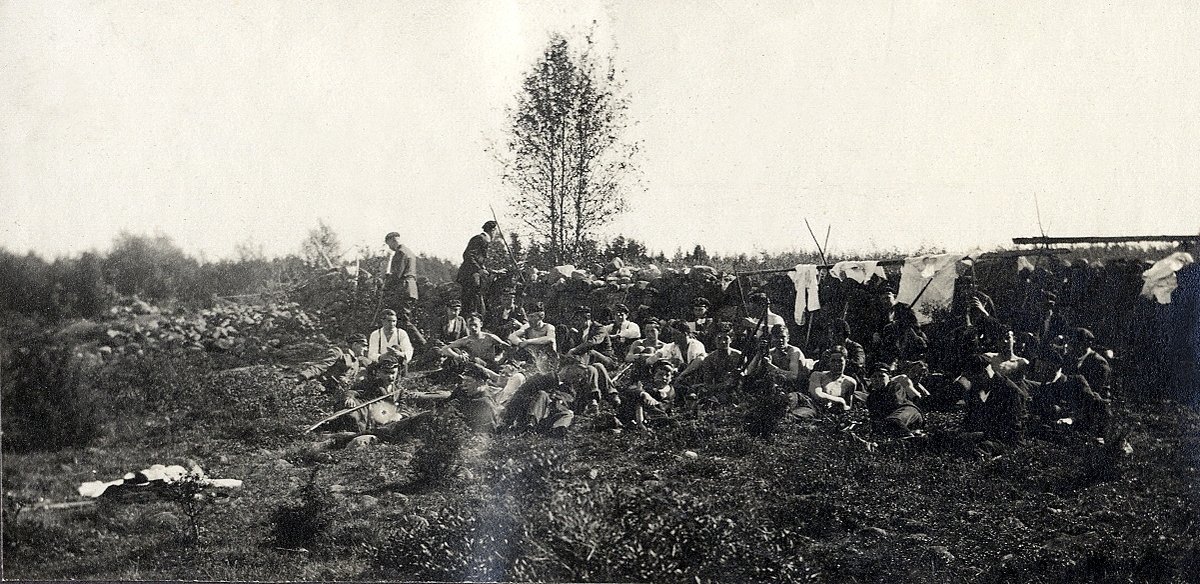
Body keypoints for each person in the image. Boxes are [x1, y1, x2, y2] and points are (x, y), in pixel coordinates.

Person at [961, 355, 1028, 448]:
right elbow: (971, 418)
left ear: (985, 373)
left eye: (974, 378)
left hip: (1006, 441)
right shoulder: (976, 389)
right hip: (985, 436)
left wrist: (980, 435)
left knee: (982, 448)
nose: (972, 382)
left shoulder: (1010, 391)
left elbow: (1012, 431)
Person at [437, 313, 510, 378]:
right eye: (470, 325)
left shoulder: (490, 337)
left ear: (481, 324)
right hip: (475, 366)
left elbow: (507, 347)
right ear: (467, 326)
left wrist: (500, 359)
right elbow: (445, 348)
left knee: (475, 361)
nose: (473, 328)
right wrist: (458, 356)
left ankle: (496, 377)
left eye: (475, 325)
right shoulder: (466, 340)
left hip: (490, 365)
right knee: (465, 360)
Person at [864, 363, 925, 437]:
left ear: (889, 378)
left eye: (881, 376)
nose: (877, 380)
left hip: (909, 412)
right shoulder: (871, 397)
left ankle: (910, 438)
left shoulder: (894, 386)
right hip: (895, 419)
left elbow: (895, 403)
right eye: (874, 377)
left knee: (893, 421)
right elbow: (875, 418)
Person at [297, 333, 368, 394]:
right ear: (355, 345)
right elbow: (320, 366)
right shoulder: (338, 352)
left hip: (340, 393)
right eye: (363, 345)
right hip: (323, 389)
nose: (366, 349)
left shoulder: (357, 362)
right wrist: (303, 376)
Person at [619, 360, 678, 429]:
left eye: (667, 375)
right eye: (660, 374)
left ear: (671, 378)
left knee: (673, 423)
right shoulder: (647, 386)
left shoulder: (673, 389)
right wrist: (644, 393)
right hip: (643, 414)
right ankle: (639, 425)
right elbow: (629, 391)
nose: (664, 377)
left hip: (660, 416)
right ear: (654, 375)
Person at [456, 221, 498, 315]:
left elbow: (479, 259)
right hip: (469, 276)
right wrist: (478, 269)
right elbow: (468, 255)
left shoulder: (484, 240)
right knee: (471, 304)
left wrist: (490, 270)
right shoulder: (480, 238)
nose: (496, 234)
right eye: (495, 231)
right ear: (492, 230)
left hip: (474, 276)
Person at [695, 322, 744, 404]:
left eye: (726, 339)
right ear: (715, 339)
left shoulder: (739, 356)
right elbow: (708, 384)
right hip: (719, 391)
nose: (723, 342)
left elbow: (746, 375)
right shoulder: (709, 359)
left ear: (731, 339)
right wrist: (725, 384)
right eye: (719, 338)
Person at [368, 309, 414, 375]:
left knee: (396, 347)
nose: (392, 324)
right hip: (381, 365)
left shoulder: (401, 333)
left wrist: (400, 354)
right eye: (389, 321)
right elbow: (371, 354)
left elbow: (409, 351)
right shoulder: (376, 334)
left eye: (394, 321)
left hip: (398, 364)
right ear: (382, 321)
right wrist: (383, 356)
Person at [383, 232, 418, 311]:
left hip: (403, 288)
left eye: (389, 245)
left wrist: (386, 285)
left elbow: (397, 274)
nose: (390, 248)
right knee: (406, 317)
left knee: (402, 318)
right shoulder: (409, 252)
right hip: (411, 289)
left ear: (393, 240)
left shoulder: (400, 252)